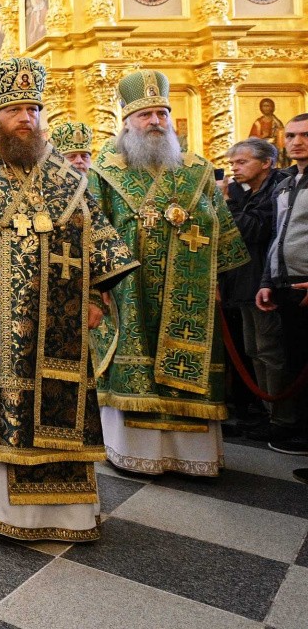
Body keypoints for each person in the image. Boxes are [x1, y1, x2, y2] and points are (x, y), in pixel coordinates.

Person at [0, 56, 137, 542]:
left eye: (33, 109)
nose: (26, 118)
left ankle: (69, 513)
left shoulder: (64, 172)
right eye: (15, 109)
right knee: (0, 401)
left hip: (62, 319)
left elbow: (96, 232)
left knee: (66, 404)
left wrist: (97, 294)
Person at [87, 69, 248, 477]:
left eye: (162, 113)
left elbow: (222, 227)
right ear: (127, 122)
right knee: (132, 364)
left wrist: (216, 279)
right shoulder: (104, 169)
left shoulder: (196, 169)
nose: (156, 121)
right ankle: (133, 452)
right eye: (146, 115)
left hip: (190, 289)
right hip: (127, 290)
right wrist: (96, 285)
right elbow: (91, 229)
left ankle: (194, 457)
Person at [220, 138, 288, 441]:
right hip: (243, 284)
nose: (234, 168)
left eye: (242, 162)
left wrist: (227, 201)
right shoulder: (249, 192)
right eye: (232, 163)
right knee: (254, 352)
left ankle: (283, 418)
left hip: (264, 283)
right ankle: (265, 413)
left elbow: (252, 229)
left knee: (270, 351)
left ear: (266, 163)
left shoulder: (278, 190)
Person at [256, 112, 308, 456]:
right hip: (285, 286)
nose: (296, 142)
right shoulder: (286, 181)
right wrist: (267, 281)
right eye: (290, 136)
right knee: (294, 362)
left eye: (305, 135)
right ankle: (300, 432)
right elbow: (278, 236)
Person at [249, 98, 286, 165]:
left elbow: (282, 136)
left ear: (272, 107)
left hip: (275, 149)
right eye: (264, 106)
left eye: (268, 106)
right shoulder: (258, 123)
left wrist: (277, 138)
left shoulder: (277, 122)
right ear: (261, 108)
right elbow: (251, 139)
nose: (266, 108)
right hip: (262, 148)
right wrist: (262, 136)